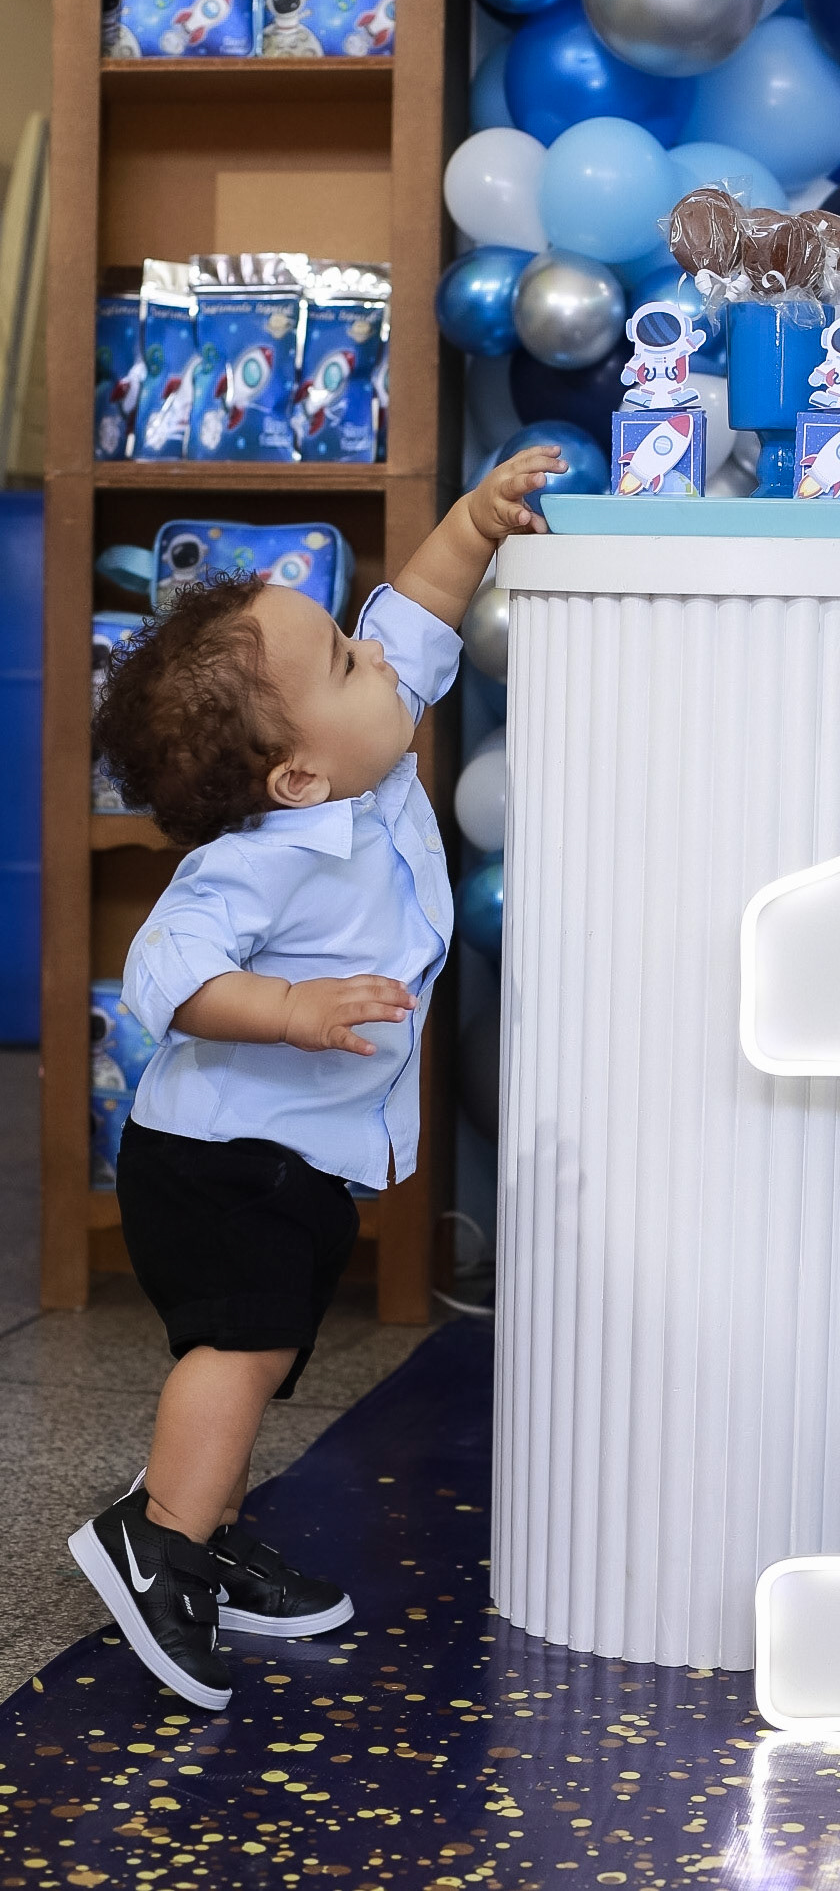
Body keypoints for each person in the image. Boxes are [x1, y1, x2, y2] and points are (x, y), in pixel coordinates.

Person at [70, 445, 563, 1712]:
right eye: (346, 661)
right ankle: (157, 1539)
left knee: (266, 1346)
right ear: (294, 776)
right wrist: (287, 1008)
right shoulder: (258, 861)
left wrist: (476, 521)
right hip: (214, 1156)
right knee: (236, 1349)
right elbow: (166, 973)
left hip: (287, 1155)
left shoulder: (366, 755)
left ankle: (212, 1534)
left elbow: (420, 607)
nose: (376, 659)